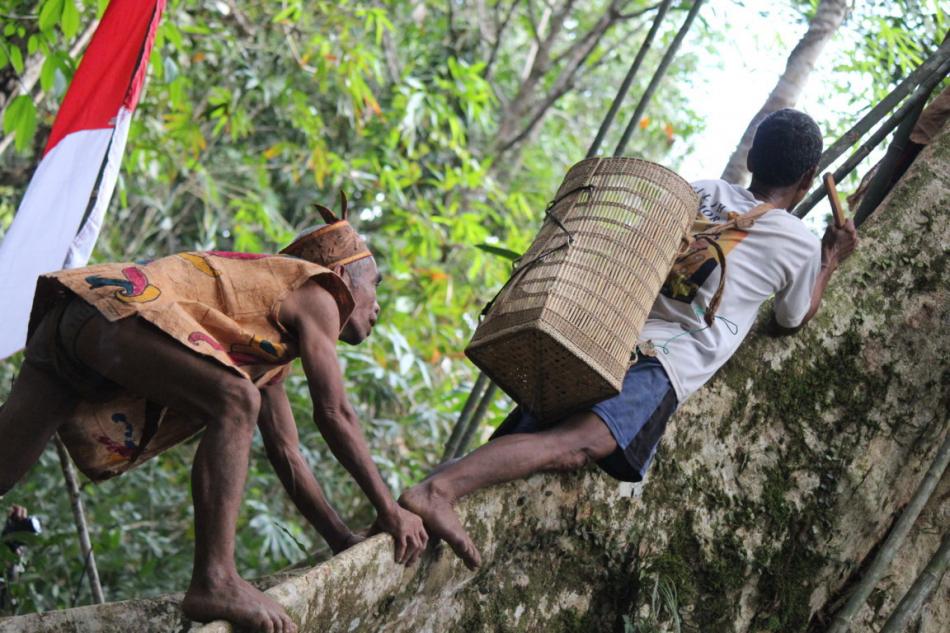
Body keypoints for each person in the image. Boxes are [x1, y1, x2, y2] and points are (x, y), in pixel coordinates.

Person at [399, 108, 859, 569]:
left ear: (753, 158)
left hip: (603, 338)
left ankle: (402, 520)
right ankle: (437, 491)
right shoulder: (799, 243)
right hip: (660, 362)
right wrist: (830, 259)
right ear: (808, 178)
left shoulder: (700, 191)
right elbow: (791, 318)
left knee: (526, 435)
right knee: (577, 444)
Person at [0, 195, 427, 633]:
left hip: (78, 317)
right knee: (236, 400)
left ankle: (218, 577)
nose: (377, 306)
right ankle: (215, 578)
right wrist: (390, 509)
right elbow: (334, 412)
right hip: (114, 306)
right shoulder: (320, 292)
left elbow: (287, 454)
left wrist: (341, 539)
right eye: (374, 285)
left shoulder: (267, 347)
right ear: (340, 276)